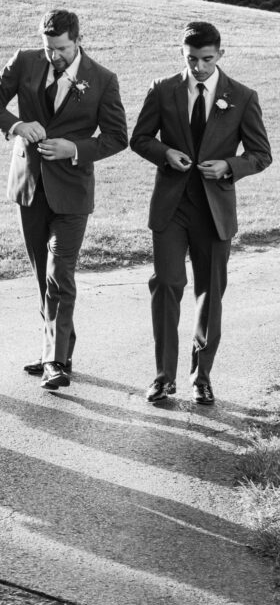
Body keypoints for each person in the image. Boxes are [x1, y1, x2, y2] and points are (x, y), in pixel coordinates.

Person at [0, 9, 127, 390]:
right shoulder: (25, 61)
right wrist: (16, 125)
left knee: (60, 274)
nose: (53, 56)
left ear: (78, 40)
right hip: (28, 187)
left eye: (61, 48)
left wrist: (74, 149)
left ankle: (55, 361)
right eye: (48, 48)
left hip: (73, 191)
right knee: (42, 274)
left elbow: (116, 137)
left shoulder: (102, 80)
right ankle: (57, 349)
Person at [130, 20, 272, 406]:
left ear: (220, 55)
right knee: (166, 286)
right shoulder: (162, 90)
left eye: (207, 59)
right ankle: (162, 377)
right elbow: (139, 138)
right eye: (191, 59)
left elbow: (261, 155)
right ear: (182, 53)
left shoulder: (242, 96)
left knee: (210, 295)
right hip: (171, 207)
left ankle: (202, 376)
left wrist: (229, 166)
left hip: (214, 210)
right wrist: (165, 153)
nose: (199, 68)